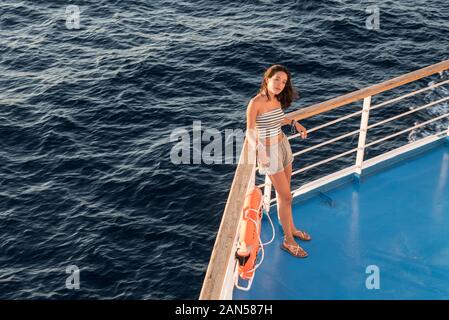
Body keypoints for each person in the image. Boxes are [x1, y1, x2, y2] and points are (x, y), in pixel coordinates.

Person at [246, 64, 311, 258]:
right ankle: (288, 241)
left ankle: (291, 229)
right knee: (286, 196)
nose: (280, 85)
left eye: (284, 82)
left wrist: (294, 122)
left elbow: (278, 118)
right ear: (267, 79)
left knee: (286, 195)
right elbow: (249, 131)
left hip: (283, 145)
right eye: (277, 80)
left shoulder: (277, 99)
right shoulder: (256, 102)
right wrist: (259, 150)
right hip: (269, 152)